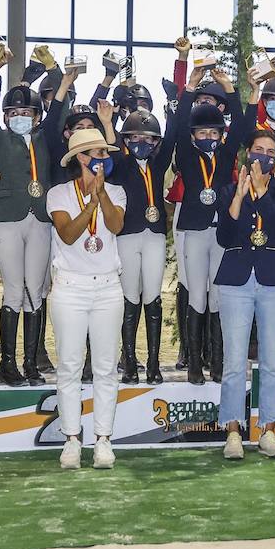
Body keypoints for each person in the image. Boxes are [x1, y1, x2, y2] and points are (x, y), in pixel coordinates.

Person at [0, 42, 76, 386]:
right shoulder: (1, 140)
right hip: (8, 220)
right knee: (13, 290)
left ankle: (32, 363)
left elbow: (60, 105)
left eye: (26, 114)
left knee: (36, 290)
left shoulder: (47, 137)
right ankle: (8, 363)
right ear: (6, 117)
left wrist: (54, 69)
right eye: (13, 113)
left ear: (36, 116)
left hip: (40, 221)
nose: (20, 117)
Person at [48, 128, 126, 470]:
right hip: (69, 287)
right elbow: (67, 235)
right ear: (81, 158)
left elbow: (116, 225)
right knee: (69, 366)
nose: (104, 160)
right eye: (97, 153)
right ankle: (71, 440)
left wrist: (102, 198)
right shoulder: (58, 194)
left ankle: (104, 440)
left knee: (107, 368)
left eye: (106, 154)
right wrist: (90, 203)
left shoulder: (118, 191)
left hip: (108, 287)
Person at [215, 129, 275, 460]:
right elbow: (223, 237)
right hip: (235, 279)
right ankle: (233, 431)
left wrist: (261, 194)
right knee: (234, 361)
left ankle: (269, 430)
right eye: (257, 149)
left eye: (270, 151)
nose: (263, 155)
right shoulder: (230, 189)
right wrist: (239, 198)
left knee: (272, 362)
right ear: (247, 154)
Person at [173, 69, 242, 384]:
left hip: (221, 233)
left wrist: (229, 89)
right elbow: (176, 127)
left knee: (217, 296)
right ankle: (194, 363)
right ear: (193, 135)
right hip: (195, 232)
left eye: (214, 133)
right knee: (197, 296)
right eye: (202, 133)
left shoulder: (226, 156)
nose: (209, 138)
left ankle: (217, 361)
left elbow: (241, 125)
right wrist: (188, 88)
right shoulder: (187, 155)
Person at [112, 108, 176, 384]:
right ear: (126, 139)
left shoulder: (159, 163)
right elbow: (110, 143)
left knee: (153, 296)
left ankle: (153, 363)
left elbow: (173, 137)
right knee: (130, 297)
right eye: (135, 137)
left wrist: (178, 102)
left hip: (155, 235)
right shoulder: (120, 163)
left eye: (149, 139)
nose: (142, 143)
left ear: (156, 143)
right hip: (127, 235)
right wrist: (107, 121)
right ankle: (129, 363)